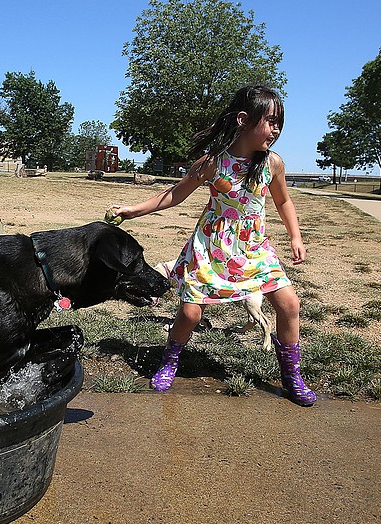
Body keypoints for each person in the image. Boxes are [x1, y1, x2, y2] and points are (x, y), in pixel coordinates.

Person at [109, 85, 315, 406]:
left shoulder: (272, 163)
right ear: (244, 120)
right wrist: (133, 210)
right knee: (190, 314)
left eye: (279, 123)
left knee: (289, 305)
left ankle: (292, 374)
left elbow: (284, 200)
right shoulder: (212, 162)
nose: (275, 130)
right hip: (212, 246)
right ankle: (170, 359)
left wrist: (295, 236)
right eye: (270, 121)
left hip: (254, 248)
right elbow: (174, 194)